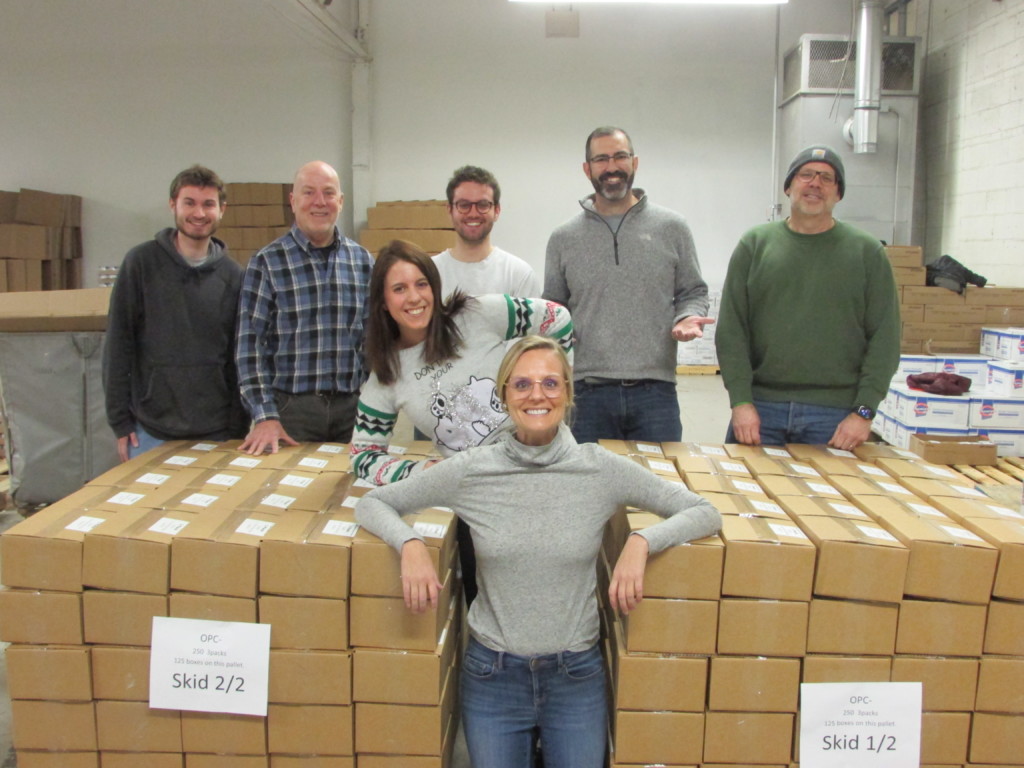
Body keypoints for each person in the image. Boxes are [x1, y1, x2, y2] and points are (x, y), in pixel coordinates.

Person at [355, 336, 721, 768]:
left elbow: (704, 511)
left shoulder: (600, 469)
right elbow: (372, 503)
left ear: (567, 392)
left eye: (550, 383)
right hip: (492, 677)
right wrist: (411, 544)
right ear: (504, 394)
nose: (537, 395)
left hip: (575, 678)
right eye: (522, 384)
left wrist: (641, 543)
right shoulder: (473, 469)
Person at [350, 241, 573, 607]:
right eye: (399, 288)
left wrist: (554, 390)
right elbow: (363, 456)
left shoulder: (476, 313)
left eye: (422, 284)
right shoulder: (386, 376)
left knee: (558, 594)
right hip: (481, 500)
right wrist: (426, 470)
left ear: (435, 289)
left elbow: (557, 319)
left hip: (547, 471)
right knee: (489, 604)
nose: (414, 297)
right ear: (382, 301)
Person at [715, 145, 901, 449]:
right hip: (761, 411)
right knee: (745, 496)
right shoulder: (755, 245)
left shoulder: (867, 252)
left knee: (828, 499)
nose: (816, 184)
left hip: (835, 417)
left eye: (827, 178)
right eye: (806, 175)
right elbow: (732, 331)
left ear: (838, 194)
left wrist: (864, 412)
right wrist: (740, 401)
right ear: (788, 186)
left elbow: (885, 338)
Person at [544, 126, 713, 444]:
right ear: (587, 169)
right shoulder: (563, 238)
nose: (611, 167)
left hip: (656, 392)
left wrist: (686, 316)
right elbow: (553, 307)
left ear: (635, 162)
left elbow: (693, 291)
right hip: (586, 393)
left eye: (620, 156)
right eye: (601, 159)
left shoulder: (672, 227)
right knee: (589, 488)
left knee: (657, 486)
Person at [103, 164, 246, 462]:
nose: (199, 213)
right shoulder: (140, 263)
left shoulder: (234, 276)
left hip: (217, 432)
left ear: (222, 210)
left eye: (208, 204)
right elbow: (118, 344)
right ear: (173, 205)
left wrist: (238, 428)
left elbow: (237, 358)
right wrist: (120, 422)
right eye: (189, 203)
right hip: (149, 431)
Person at [235, 160, 373, 454]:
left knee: (348, 493)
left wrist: (373, 409)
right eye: (309, 192)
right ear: (293, 201)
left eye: (328, 193)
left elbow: (374, 344)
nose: (319, 202)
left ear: (341, 201)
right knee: (286, 495)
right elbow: (250, 348)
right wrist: (265, 416)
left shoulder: (363, 262)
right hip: (290, 414)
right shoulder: (267, 263)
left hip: (352, 412)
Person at [432, 165, 539, 298]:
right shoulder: (430, 273)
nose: (473, 213)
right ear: (449, 210)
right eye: (464, 205)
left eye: (483, 205)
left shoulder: (519, 275)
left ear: (497, 211)